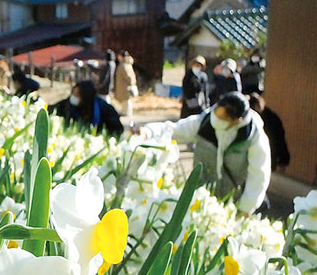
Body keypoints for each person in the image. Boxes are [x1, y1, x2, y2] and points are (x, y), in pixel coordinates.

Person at [141, 92, 270, 214]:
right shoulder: (205, 122)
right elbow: (174, 130)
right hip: (201, 199)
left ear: (237, 121)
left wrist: (246, 208)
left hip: (234, 202)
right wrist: (148, 132)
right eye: (216, 113)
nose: (216, 119)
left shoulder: (253, 137)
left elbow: (259, 174)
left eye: (222, 118)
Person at [50, 80, 124, 137]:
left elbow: (117, 129)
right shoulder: (67, 104)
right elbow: (51, 109)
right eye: (73, 93)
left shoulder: (102, 108)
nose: (74, 97)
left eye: (77, 95)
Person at [249, 93, 289, 171]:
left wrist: (283, 160)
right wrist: (283, 160)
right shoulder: (272, 117)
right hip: (266, 157)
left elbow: (279, 139)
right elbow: (280, 139)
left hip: (262, 156)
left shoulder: (271, 119)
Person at [114, 50, 138, 118]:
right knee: (125, 100)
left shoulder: (124, 65)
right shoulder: (126, 64)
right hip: (124, 85)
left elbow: (128, 76)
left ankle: (127, 112)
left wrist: (131, 83)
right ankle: (125, 112)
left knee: (126, 100)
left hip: (125, 86)